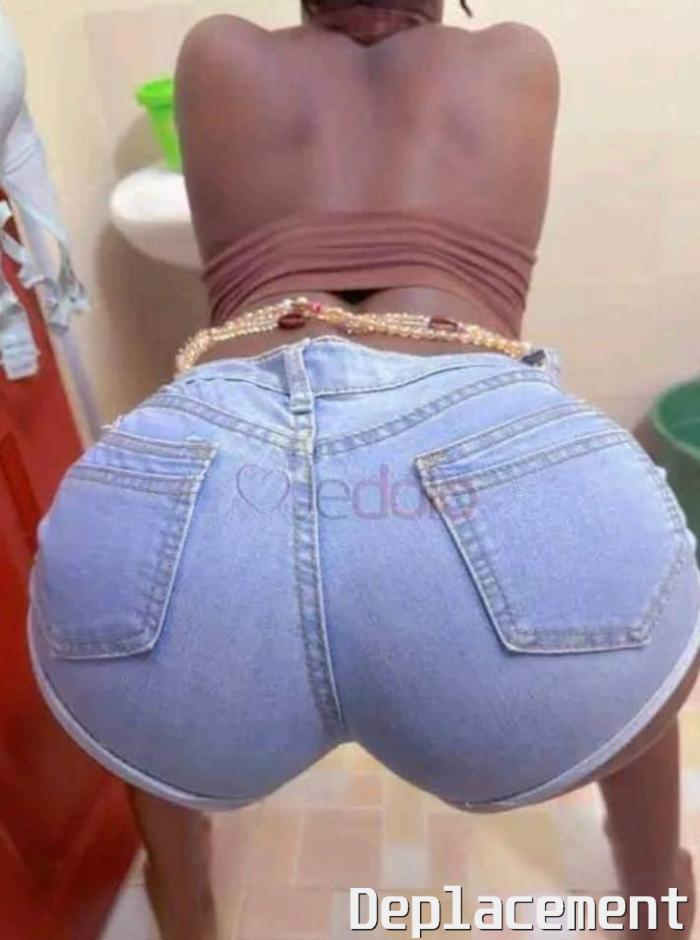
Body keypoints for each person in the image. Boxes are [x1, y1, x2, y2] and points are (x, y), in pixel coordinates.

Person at [26, 3, 700, 939]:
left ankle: (185, 903)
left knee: (147, 640)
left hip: (232, 433)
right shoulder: (515, 58)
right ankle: (658, 887)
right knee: (646, 644)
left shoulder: (218, 54)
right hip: (463, 395)